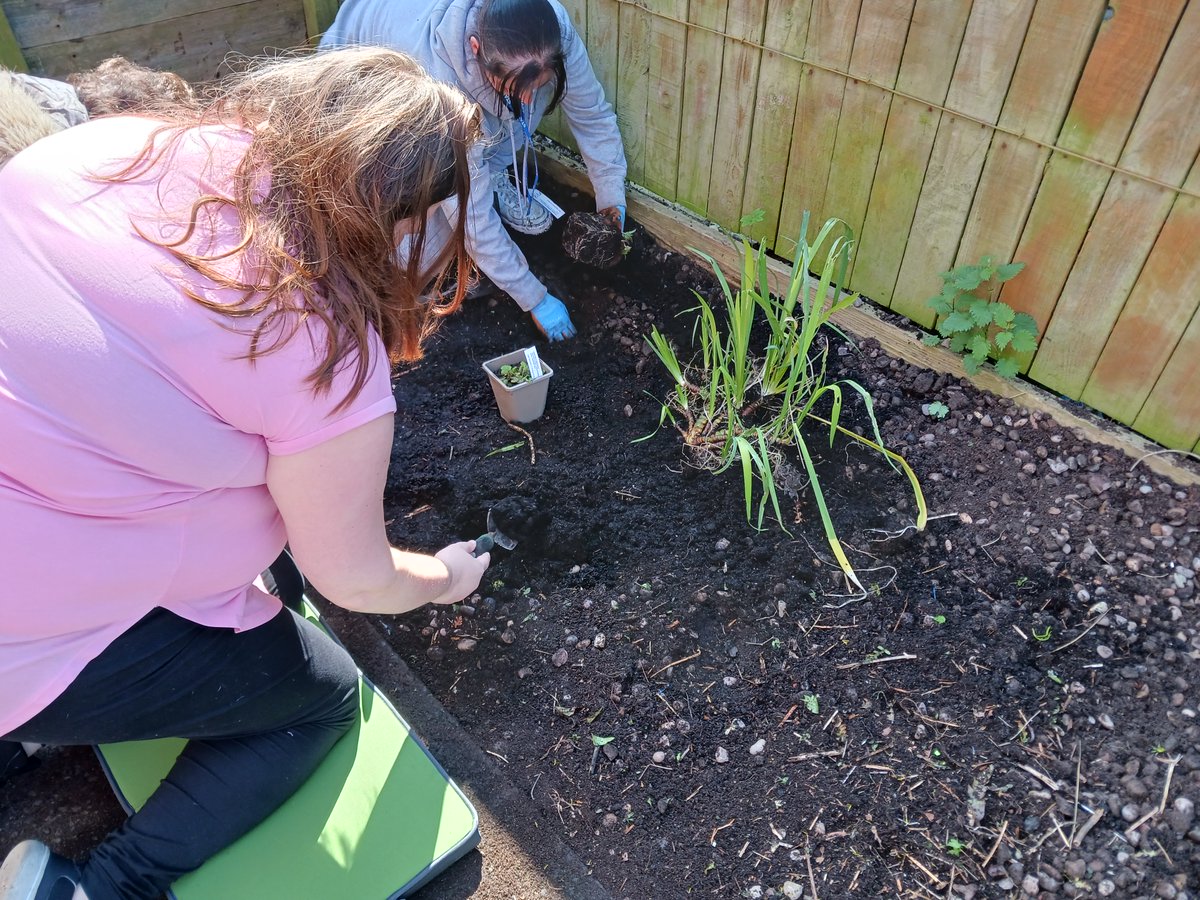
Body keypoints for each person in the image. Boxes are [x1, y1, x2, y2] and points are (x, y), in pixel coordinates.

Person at [0, 47, 489, 900]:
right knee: (322, 701)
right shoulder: (321, 340)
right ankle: (101, 886)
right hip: (19, 624)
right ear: (402, 221)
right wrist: (441, 577)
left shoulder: (108, 149)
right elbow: (354, 578)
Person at [319, 0, 629, 341]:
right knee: (413, 260)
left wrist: (613, 205)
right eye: (514, 87)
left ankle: (490, 174)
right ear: (475, 49)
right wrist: (534, 298)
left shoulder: (547, 30)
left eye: (539, 85)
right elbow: (472, 216)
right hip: (359, 94)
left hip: (437, 76)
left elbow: (592, 116)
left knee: (480, 157)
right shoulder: (439, 87)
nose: (528, 101)